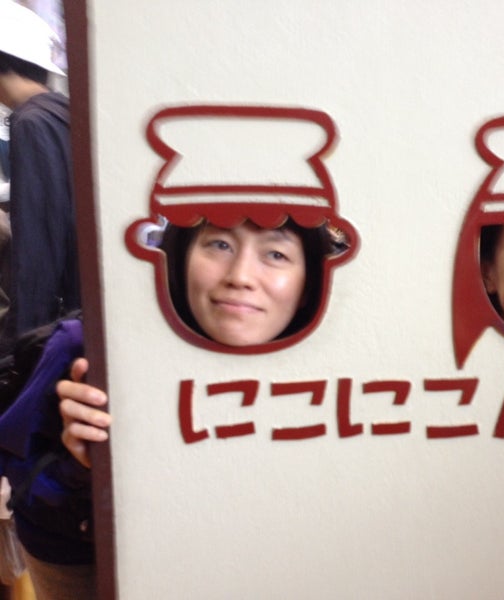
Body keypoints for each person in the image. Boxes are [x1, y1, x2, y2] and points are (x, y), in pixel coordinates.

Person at [1, 217, 334, 599]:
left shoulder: (343, 371)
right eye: (220, 244)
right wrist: (82, 472)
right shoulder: (87, 349)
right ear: (182, 253)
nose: (240, 276)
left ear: (309, 281)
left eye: (275, 254)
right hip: (89, 556)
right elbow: (32, 498)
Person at [0, 0, 78, 345]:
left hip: (53, 323)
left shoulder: (32, 123)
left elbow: (39, 241)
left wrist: (24, 337)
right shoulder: (65, 112)